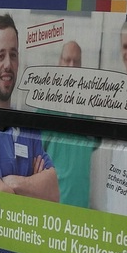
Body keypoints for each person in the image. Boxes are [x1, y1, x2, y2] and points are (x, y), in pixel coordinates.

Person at [0, 13, 59, 201]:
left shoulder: (27, 123)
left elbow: (54, 191)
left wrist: (13, 182)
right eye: (1, 56)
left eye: (13, 55)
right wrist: (33, 186)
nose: (8, 64)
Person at [43, 41, 98, 207]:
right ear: (59, 63)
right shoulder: (46, 107)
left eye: (76, 61)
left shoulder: (88, 111)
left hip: (81, 205)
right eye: (67, 60)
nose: (71, 66)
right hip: (52, 203)